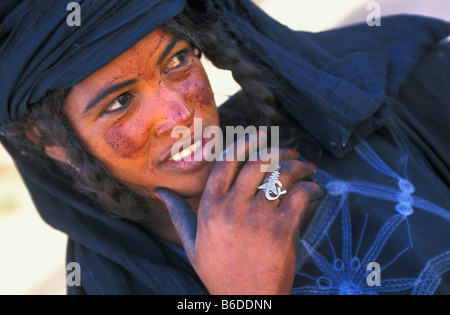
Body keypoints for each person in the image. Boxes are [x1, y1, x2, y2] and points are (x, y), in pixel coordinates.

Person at [0, 0, 449, 295]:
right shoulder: (110, 285)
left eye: (177, 61)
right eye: (120, 102)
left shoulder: (371, 104)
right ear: (52, 143)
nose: (179, 115)